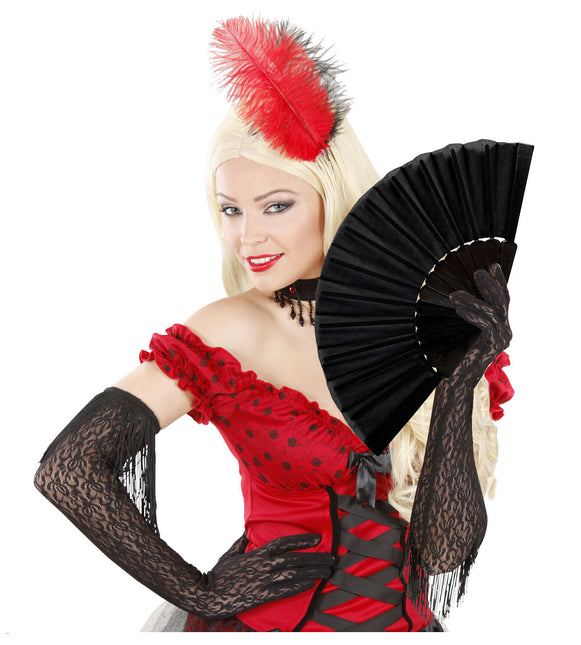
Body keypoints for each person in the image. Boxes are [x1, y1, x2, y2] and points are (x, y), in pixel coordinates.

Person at [33, 16, 513, 632]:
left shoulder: (424, 327)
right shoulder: (230, 332)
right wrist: (199, 591)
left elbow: (443, 560)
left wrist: (457, 382)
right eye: (231, 210)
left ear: (333, 198)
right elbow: (69, 466)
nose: (247, 237)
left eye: (276, 206)